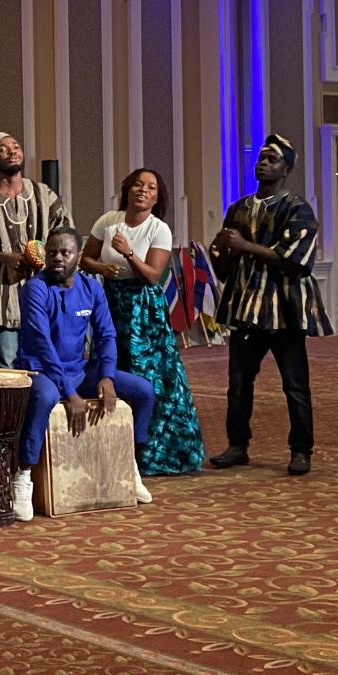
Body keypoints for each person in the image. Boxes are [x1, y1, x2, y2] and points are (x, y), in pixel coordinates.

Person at [9, 227, 156, 520]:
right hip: (39, 369)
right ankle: (23, 474)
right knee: (46, 397)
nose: (58, 258)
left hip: (78, 368)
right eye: (52, 253)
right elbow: (42, 343)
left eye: (65, 252)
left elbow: (106, 335)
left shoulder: (91, 288)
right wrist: (69, 392)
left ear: (78, 256)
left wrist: (107, 376)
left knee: (143, 391)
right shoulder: (35, 289)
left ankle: (131, 464)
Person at [207, 133, 331, 477]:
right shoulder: (239, 208)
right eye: (261, 158)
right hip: (246, 309)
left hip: (285, 310)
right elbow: (225, 269)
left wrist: (244, 245)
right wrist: (218, 252)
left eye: (272, 159)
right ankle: (237, 445)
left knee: (295, 385)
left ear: (286, 169)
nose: (263, 163)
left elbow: (296, 260)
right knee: (238, 383)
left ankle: (301, 449)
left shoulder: (297, 209)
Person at [80, 168, 204, 476]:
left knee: (147, 374)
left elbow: (152, 275)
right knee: (110, 367)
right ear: (127, 189)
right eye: (137, 184)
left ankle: (149, 451)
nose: (143, 191)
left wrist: (128, 253)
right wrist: (102, 268)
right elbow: (85, 259)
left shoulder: (158, 229)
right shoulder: (108, 221)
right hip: (111, 302)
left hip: (143, 310)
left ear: (157, 198)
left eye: (151, 188)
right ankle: (111, 446)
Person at [0, 130, 69, 368]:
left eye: (16, 146)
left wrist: (46, 257)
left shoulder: (44, 195)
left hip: (43, 295)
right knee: (7, 371)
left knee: (44, 365)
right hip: (0, 299)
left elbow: (66, 235)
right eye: (3, 149)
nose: (12, 151)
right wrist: (3, 258)